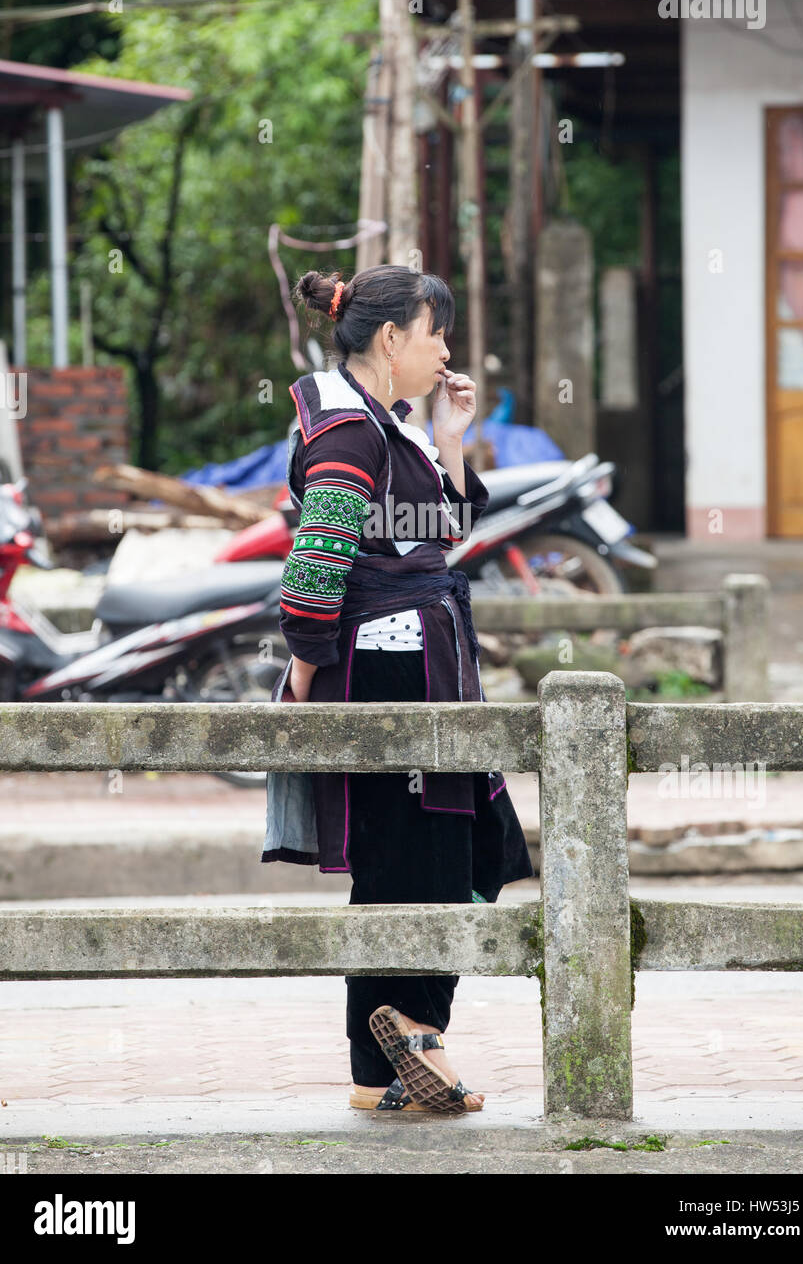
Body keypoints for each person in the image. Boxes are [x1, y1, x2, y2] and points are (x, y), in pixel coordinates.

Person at [262, 264, 534, 1114]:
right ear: (390, 339)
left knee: (412, 858)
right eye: (434, 333)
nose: (446, 349)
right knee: (430, 855)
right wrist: (308, 672)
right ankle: (415, 1037)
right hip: (389, 668)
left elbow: (440, 535)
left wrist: (452, 434)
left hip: (417, 656)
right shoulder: (350, 430)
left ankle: (378, 1073)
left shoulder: (390, 424)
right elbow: (315, 565)